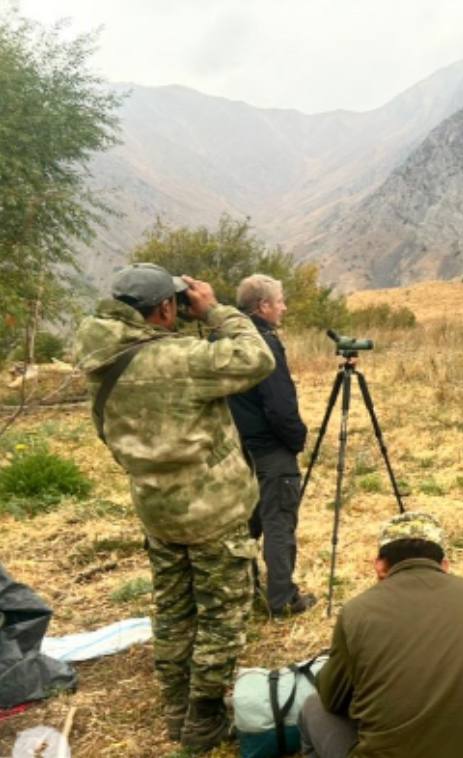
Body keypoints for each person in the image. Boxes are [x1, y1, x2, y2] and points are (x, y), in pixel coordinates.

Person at [75, 263, 275, 752]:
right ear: (166, 308)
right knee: (221, 616)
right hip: (212, 512)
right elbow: (257, 357)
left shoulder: (102, 360)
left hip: (157, 510)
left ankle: (175, 709)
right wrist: (214, 311)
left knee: (172, 612)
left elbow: (108, 434)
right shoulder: (179, 358)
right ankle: (204, 718)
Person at [299, 512, 463, 758]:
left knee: (312, 708)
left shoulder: (356, 612)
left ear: (380, 565)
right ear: (444, 565)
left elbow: (331, 699)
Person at [227, 274, 314, 617]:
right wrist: (296, 439)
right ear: (263, 306)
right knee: (278, 521)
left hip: (237, 449)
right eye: (279, 301)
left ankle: (242, 591)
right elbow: (279, 404)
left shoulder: (226, 338)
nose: (284, 307)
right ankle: (283, 600)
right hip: (270, 448)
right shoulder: (263, 343)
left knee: (245, 523)